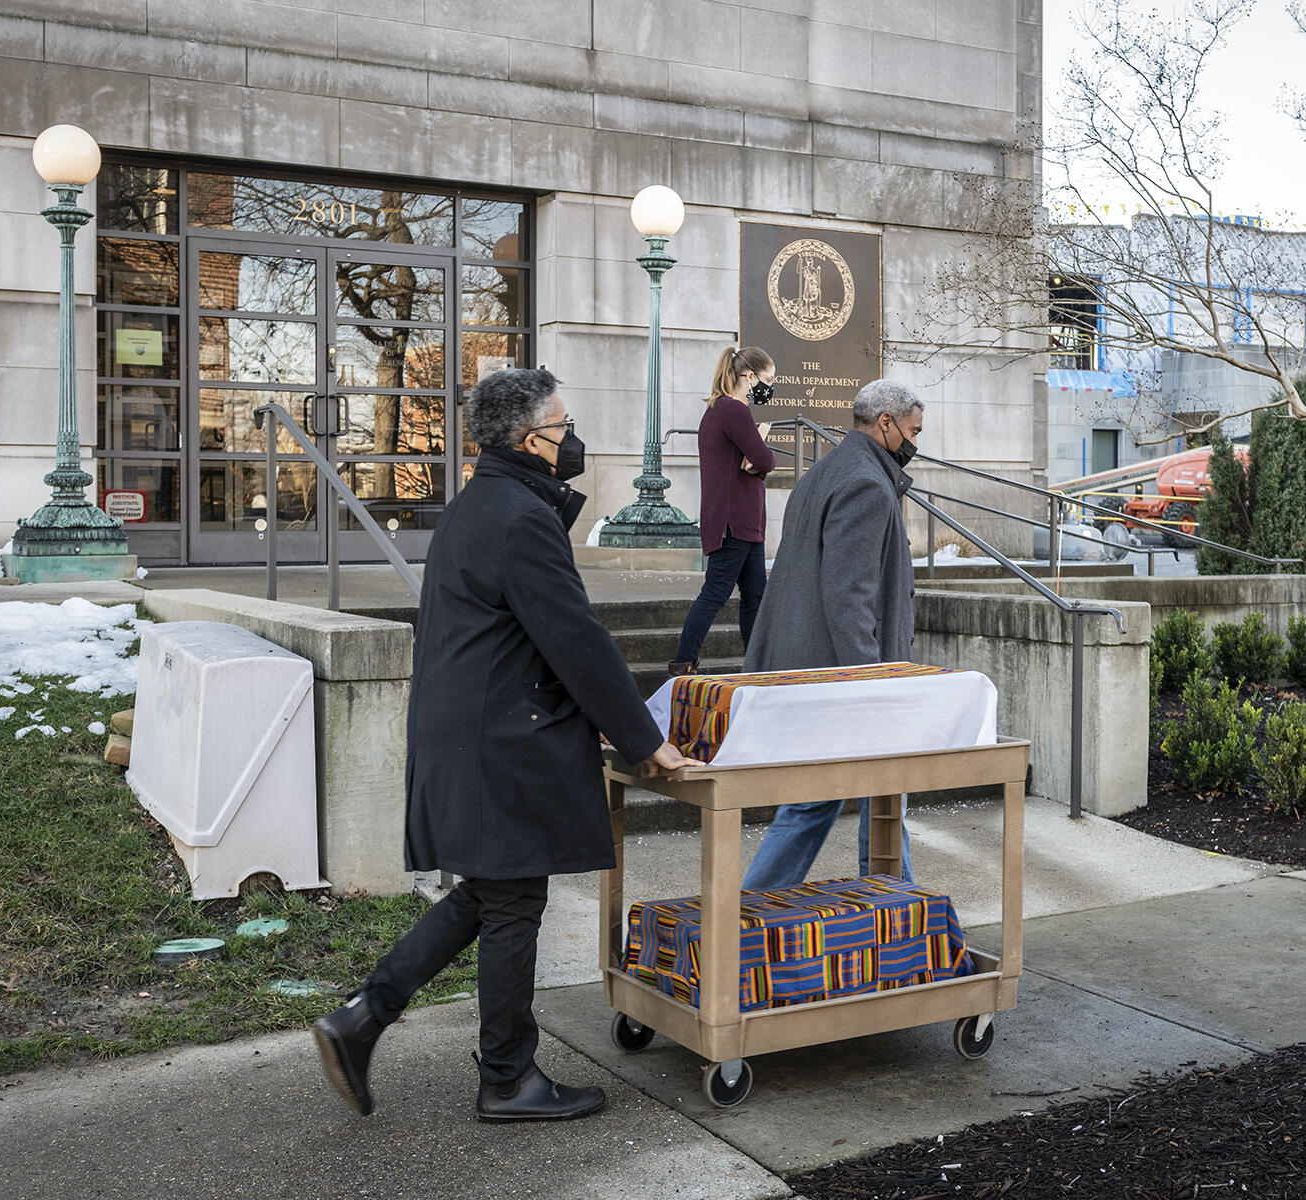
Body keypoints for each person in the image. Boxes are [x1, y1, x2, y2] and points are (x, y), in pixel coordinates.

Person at [311, 368, 699, 1124]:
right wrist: (646, 740)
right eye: (563, 425)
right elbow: (576, 641)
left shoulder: (479, 505)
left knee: (493, 893)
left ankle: (363, 1017)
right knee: (514, 902)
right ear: (533, 440)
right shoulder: (522, 518)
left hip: (476, 729)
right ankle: (507, 1078)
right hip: (502, 738)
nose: (573, 437)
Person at [738, 379, 925, 891]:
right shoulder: (865, 481)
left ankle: (894, 902)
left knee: (837, 798)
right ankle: (897, 909)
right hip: (841, 675)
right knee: (866, 796)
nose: (916, 442)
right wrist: (873, 679)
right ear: (885, 422)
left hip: (815, 669)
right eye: (913, 430)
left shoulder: (826, 470)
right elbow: (851, 596)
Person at [669, 346, 778, 676]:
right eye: (768, 380)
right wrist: (756, 465)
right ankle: (682, 662)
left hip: (740, 520)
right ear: (749, 377)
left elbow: (753, 460)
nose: (770, 387)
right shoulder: (733, 410)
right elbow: (766, 460)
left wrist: (753, 464)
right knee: (717, 593)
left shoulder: (720, 410)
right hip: (735, 520)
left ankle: (756, 665)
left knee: (754, 595)